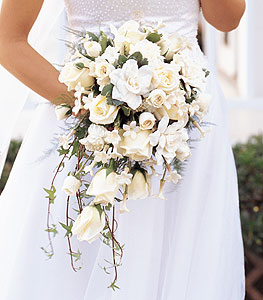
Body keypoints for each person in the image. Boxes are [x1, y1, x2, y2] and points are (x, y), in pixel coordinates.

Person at [0, 0, 246, 299]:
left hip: (185, 120)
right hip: (88, 122)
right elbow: (8, 41)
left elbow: (227, 20)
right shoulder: (89, 111)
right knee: (75, 258)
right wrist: (92, 104)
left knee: (185, 255)